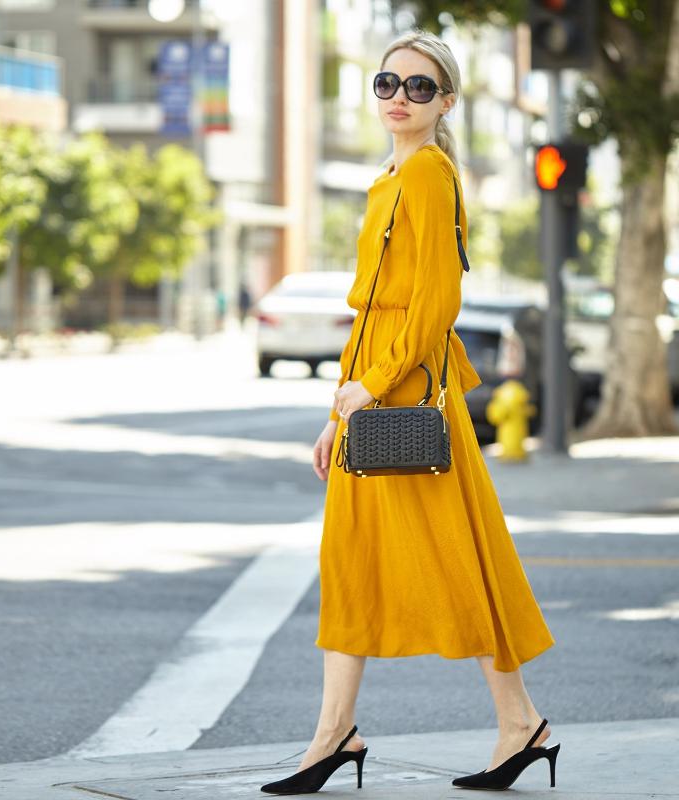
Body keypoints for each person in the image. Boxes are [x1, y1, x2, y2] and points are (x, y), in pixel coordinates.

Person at [261, 29, 559, 795]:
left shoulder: (429, 172)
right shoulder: (393, 173)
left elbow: (436, 301)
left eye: (420, 87)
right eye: (388, 84)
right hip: (374, 388)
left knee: (460, 562)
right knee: (353, 560)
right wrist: (341, 409)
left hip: (407, 391)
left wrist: (376, 384)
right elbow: (375, 312)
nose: (401, 98)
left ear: (446, 100)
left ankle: (514, 723)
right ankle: (339, 734)